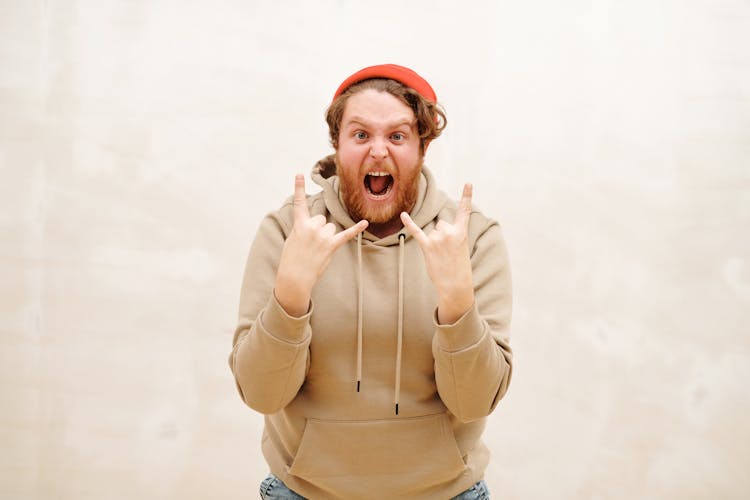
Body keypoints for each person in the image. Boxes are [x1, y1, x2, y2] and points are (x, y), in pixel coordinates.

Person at [229, 64, 513, 500]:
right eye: (361, 135)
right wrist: (290, 295)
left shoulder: (469, 237)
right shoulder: (289, 230)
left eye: (397, 136)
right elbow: (262, 394)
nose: (378, 151)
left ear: (422, 146)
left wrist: (457, 303)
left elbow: (475, 403)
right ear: (338, 145)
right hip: (304, 493)